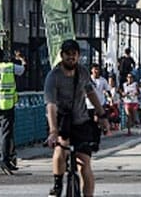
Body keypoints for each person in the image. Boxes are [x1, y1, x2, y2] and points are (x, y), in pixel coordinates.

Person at [44, 39, 109, 197]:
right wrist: (53, 131)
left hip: (81, 121)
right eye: (68, 54)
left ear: (78, 56)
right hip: (61, 121)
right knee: (61, 149)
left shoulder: (83, 72)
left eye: (74, 54)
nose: (71, 58)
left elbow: (91, 93)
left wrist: (102, 115)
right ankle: (58, 184)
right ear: (62, 55)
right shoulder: (54, 76)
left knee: (84, 164)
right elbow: (51, 105)